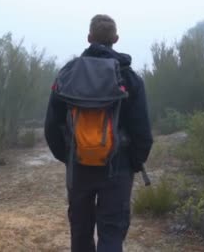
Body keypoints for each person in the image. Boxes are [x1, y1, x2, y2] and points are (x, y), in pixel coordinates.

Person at [44, 14, 153, 252]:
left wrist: (71, 154)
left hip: (79, 166)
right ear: (115, 38)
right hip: (118, 166)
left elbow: (52, 125)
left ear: (89, 37)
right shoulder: (130, 77)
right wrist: (132, 163)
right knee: (112, 233)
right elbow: (143, 131)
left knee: (81, 232)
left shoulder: (68, 73)